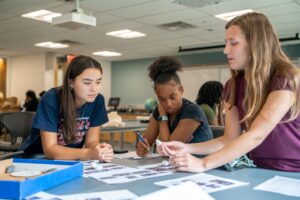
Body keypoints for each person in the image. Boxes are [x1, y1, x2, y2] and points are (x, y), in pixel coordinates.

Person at [158, 12, 300, 172]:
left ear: (256, 44)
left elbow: (257, 135)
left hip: (293, 170)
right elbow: (228, 139)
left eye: (234, 43)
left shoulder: (286, 77)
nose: (226, 50)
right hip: (258, 168)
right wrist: (186, 148)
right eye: (226, 43)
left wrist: (203, 164)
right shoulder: (232, 86)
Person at [22, 55, 114, 161]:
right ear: (71, 82)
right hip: (38, 158)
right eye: (87, 83)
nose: (94, 89)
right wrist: (88, 153)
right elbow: (50, 150)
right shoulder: (51, 99)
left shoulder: (98, 100)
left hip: (71, 159)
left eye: (98, 82)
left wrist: (99, 150)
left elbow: (91, 142)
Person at [136, 56, 213, 157]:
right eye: (162, 99)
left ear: (181, 90)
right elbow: (143, 145)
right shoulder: (159, 110)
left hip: (203, 167)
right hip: (179, 166)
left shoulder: (193, 111)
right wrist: (142, 148)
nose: (168, 104)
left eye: (172, 97)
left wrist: (163, 117)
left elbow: (169, 150)